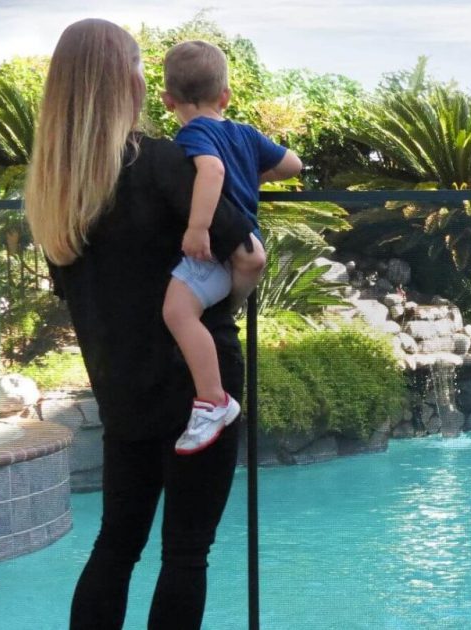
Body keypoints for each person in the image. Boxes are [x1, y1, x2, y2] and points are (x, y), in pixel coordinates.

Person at [24, 19, 250, 629]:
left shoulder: (55, 191)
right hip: (198, 390)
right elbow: (245, 252)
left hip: (120, 389)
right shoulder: (164, 163)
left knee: (116, 546)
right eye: (138, 63)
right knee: (185, 553)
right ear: (124, 78)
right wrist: (235, 295)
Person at [160, 40, 302, 454]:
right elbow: (292, 164)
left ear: (168, 100)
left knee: (176, 311)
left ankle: (212, 400)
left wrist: (198, 228)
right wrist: (254, 180)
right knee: (208, 312)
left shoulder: (192, 134)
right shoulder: (243, 133)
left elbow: (213, 169)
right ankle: (214, 395)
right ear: (225, 96)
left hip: (219, 248)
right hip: (243, 245)